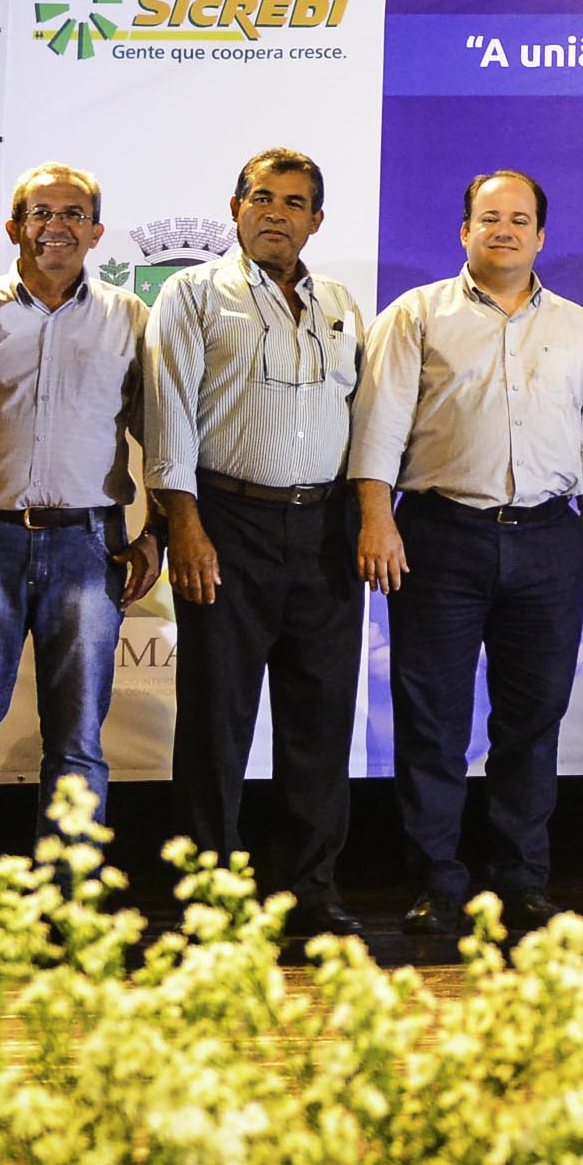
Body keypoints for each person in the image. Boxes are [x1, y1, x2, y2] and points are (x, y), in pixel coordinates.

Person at [352, 170, 583, 935]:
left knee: (532, 723)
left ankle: (521, 879)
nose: (504, 230)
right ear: (464, 230)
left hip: (548, 541)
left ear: (541, 236)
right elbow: (378, 425)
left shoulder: (575, 326)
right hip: (440, 537)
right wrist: (377, 520)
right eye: (489, 218)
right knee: (432, 722)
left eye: (519, 220)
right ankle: (436, 881)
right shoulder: (415, 315)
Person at [0, 162, 162, 940]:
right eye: (40, 212)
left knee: (78, 744)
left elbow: (164, 438)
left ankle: (69, 912)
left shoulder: (129, 317)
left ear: (97, 232)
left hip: (88, 544)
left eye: (73, 213)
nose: (57, 226)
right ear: (14, 227)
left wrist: (155, 532)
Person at [144, 148, 370, 937]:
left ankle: (309, 893)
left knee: (320, 723)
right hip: (225, 524)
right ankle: (208, 899)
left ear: (316, 220)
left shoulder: (340, 303)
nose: (277, 212)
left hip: (325, 530)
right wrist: (184, 526)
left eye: (295, 202)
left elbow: (360, 417)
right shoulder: (192, 293)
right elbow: (168, 413)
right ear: (235, 208)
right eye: (262, 198)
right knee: (217, 722)